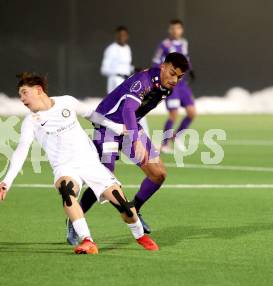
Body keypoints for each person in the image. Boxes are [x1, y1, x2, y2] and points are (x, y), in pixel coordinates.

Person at [0, 72, 159, 254]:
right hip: (64, 168)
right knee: (66, 190)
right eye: (20, 95)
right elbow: (22, 149)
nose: (22, 99)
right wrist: (7, 180)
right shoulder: (31, 121)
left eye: (24, 93)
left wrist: (118, 128)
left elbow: (93, 116)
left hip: (90, 163)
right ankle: (87, 240)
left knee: (124, 205)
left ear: (39, 90)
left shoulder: (67, 102)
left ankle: (140, 236)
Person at [67, 53, 190, 244]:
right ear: (164, 66)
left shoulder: (166, 87)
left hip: (129, 126)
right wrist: (135, 139)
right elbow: (127, 109)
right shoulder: (144, 80)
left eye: (179, 77)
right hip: (107, 125)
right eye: (172, 73)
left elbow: (135, 113)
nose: (174, 80)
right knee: (104, 178)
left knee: (158, 174)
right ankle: (75, 220)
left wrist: (134, 134)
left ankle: (134, 209)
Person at [152, 19, 197, 153]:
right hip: (171, 84)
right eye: (172, 28)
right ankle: (165, 144)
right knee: (173, 114)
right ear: (169, 30)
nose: (175, 31)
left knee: (192, 113)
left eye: (177, 28)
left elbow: (186, 58)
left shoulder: (184, 43)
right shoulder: (164, 45)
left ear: (181, 30)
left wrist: (191, 70)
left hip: (182, 84)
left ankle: (177, 137)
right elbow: (155, 61)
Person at [101, 25, 149, 136]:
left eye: (124, 35)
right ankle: (109, 138)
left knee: (136, 109)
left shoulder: (127, 48)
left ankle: (144, 138)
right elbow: (104, 69)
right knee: (119, 112)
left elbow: (126, 66)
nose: (122, 37)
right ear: (116, 35)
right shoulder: (111, 49)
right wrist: (117, 73)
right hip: (115, 82)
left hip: (126, 81)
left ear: (127, 36)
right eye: (119, 34)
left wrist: (133, 69)